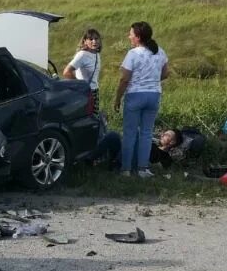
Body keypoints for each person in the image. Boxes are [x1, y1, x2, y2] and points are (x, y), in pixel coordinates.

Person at [113, 22, 169, 178]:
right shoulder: (159, 52)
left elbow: (124, 79)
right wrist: (151, 80)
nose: (129, 36)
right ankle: (143, 168)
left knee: (129, 133)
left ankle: (126, 169)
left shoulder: (133, 54)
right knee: (146, 133)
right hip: (154, 95)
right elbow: (165, 73)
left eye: (131, 34)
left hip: (135, 95)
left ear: (137, 37)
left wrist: (117, 98)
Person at [86, 128, 183, 170]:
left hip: (134, 163)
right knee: (113, 135)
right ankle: (89, 160)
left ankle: (118, 165)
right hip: (125, 153)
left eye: (166, 135)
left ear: (172, 142)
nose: (162, 135)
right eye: (163, 133)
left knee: (137, 132)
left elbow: (157, 167)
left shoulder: (166, 157)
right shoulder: (153, 143)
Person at [63, 28, 102, 110]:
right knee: (87, 119)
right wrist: (80, 86)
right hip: (84, 93)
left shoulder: (96, 54)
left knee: (94, 118)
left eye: (96, 38)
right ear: (85, 41)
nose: (94, 41)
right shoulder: (82, 55)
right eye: (91, 39)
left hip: (94, 92)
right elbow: (67, 72)